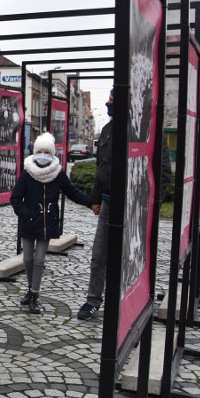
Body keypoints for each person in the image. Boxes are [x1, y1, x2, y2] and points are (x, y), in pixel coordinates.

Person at [77, 88, 172, 319]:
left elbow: (163, 172)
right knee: (99, 255)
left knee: (131, 256)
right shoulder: (108, 129)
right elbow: (102, 167)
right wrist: (96, 199)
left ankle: (130, 300)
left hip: (134, 206)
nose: (108, 105)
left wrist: (149, 204)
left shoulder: (145, 130)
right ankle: (93, 300)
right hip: (108, 203)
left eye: (111, 101)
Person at [11, 132, 94, 314]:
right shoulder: (27, 173)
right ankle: (30, 288)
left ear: (52, 153)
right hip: (29, 222)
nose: (43, 155)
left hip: (47, 222)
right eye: (39, 151)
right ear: (34, 152)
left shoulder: (58, 174)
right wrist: (27, 214)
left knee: (39, 259)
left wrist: (91, 203)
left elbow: (73, 193)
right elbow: (15, 198)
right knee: (27, 259)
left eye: (46, 152)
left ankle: (34, 294)